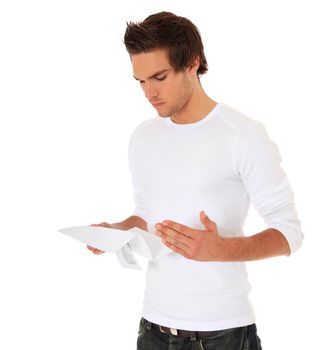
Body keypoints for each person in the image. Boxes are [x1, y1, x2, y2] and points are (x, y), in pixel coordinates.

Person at [88, 11, 303, 350]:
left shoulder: (242, 136)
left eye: (159, 77)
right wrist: (119, 230)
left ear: (192, 62)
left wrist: (221, 250)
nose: (149, 92)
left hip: (222, 334)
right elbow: (147, 215)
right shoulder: (143, 137)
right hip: (153, 329)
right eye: (141, 81)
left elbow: (289, 233)